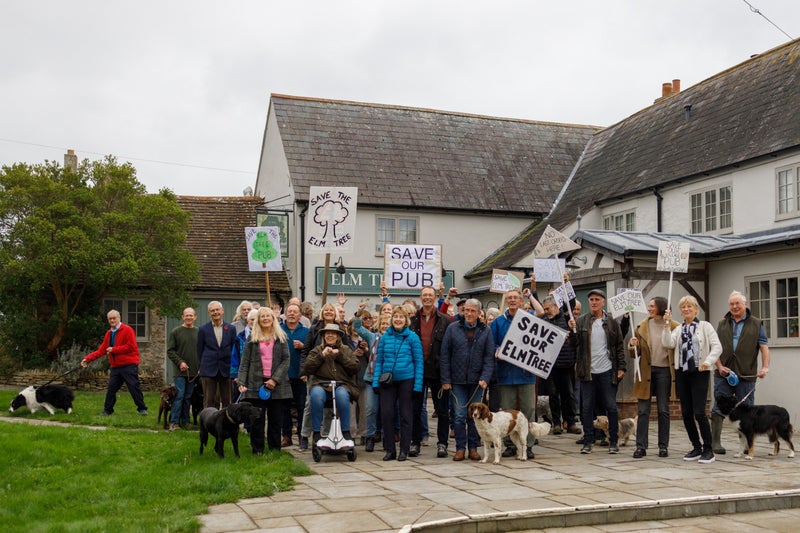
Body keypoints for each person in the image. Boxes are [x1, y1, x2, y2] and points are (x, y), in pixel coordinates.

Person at [663, 295, 723, 464]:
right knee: (686, 413)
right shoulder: (679, 328)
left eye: (690, 306)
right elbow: (668, 343)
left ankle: (708, 449)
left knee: (699, 412)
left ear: (696, 309)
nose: (686, 309)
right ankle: (696, 446)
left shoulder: (705, 326)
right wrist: (667, 325)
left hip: (700, 372)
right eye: (683, 307)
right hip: (682, 372)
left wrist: (707, 362)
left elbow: (717, 346)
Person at [712, 290, 770, 455]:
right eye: (732, 304)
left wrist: (765, 367)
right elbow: (715, 348)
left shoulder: (757, 323)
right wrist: (719, 366)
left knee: (747, 411)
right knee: (718, 407)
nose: (735, 306)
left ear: (745, 304)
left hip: (747, 374)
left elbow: (764, 347)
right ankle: (715, 442)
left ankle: (746, 445)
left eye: (738, 303)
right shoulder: (722, 323)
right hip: (724, 374)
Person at [568, 289, 626, 455]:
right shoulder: (581, 322)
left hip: (607, 370)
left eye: (597, 299)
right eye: (591, 299)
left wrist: (622, 367)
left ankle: (613, 440)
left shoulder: (612, 322)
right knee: (587, 407)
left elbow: (619, 346)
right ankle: (588, 440)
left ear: (603, 302)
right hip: (588, 371)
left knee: (611, 406)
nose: (594, 302)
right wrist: (571, 331)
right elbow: (573, 345)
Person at [440, 298, 495, 462]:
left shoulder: (486, 331)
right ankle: (459, 448)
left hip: (477, 381)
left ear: (479, 313)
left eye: (472, 311)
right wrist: (446, 379)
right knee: (458, 415)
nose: (469, 314)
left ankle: (473, 448)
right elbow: (444, 356)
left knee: (475, 417)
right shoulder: (452, 329)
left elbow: (489, 357)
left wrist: (485, 377)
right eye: (466, 310)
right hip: (457, 381)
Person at [628, 296, 679, 458]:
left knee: (664, 410)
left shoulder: (674, 326)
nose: (649, 308)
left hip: (665, 371)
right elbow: (635, 354)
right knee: (643, 410)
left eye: (651, 306)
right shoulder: (641, 327)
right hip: (646, 371)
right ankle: (641, 446)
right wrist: (632, 346)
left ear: (661, 307)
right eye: (648, 306)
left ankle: (663, 446)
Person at [372, 306, 424, 461]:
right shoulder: (385, 338)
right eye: (395, 317)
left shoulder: (412, 337)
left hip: (407, 379)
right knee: (387, 414)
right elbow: (379, 361)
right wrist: (376, 382)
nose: (398, 320)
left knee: (406, 415)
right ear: (391, 319)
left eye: (401, 317)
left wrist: (417, 385)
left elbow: (419, 362)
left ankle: (404, 450)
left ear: (406, 320)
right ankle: (389, 449)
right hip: (387, 380)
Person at [490, 288, 537, 459]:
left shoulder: (529, 318)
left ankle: (528, 445)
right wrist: (496, 351)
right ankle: (510, 445)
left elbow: (540, 313)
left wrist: (531, 294)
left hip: (526, 373)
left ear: (520, 300)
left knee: (528, 409)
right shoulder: (497, 322)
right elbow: (492, 343)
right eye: (509, 298)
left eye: (515, 298)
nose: (511, 300)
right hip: (505, 374)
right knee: (507, 411)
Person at [238, 306, 291, 454]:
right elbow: (244, 361)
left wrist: (274, 380)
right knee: (257, 420)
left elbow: (286, 360)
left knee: (275, 419)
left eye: (268, 316)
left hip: (276, 385)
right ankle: (258, 450)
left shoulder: (281, 337)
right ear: (258, 320)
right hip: (256, 383)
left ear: (273, 319)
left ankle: (275, 450)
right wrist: (241, 382)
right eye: (263, 316)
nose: (266, 318)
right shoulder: (252, 338)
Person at [410, 286, 453, 458]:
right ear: (421, 298)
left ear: (435, 298)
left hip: (438, 371)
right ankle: (415, 442)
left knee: (442, 410)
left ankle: (442, 443)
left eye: (430, 295)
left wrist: (447, 374)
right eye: (424, 295)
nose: (427, 298)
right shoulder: (412, 320)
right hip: (418, 371)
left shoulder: (446, 320)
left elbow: (450, 349)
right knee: (415, 409)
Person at [81, 309, 148, 416]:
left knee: (133, 387)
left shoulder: (127, 330)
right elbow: (102, 350)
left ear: (119, 318)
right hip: (116, 367)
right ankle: (108, 410)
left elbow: (131, 347)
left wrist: (114, 349)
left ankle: (142, 408)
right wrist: (87, 359)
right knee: (111, 389)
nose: (112, 320)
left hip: (129, 365)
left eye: (114, 318)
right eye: (110, 319)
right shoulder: (108, 333)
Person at [304, 323, 359, 447]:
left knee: (341, 395)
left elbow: (355, 367)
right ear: (323, 336)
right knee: (316, 395)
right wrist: (321, 356)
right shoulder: (317, 350)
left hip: (342, 385)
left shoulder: (345, 350)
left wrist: (339, 356)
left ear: (338, 336)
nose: (330, 335)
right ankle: (317, 433)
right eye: (327, 333)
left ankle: (345, 432)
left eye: (333, 333)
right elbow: (307, 368)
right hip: (321, 385)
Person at [540, 296, 581, 436]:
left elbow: (576, 342)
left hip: (567, 363)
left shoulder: (567, 320)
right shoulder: (544, 321)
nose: (546, 311)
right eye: (544, 309)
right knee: (553, 395)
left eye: (548, 308)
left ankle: (570, 422)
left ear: (556, 306)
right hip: (550, 365)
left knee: (568, 394)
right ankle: (556, 423)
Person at [197, 301, 238, 409]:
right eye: (212, 310)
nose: (215, 312)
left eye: (217, 310)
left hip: (226, 368)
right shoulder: (203, 329)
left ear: (222, 311)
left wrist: (234, 369)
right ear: (209, 313)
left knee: (227, 400)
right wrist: (201, 367)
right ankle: (209, 424)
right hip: (208, 368)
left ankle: (226, 424)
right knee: (209, 400)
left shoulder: (231, 329)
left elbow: (234, 349)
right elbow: (199, 350)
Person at [166, 307, 200, 430]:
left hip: (193, 372)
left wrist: (200, 366)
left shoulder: (199, 332)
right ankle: (174, 422)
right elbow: (170, 351)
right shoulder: (176, 332)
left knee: (188, 397)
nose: (189, 317)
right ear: (182, 317)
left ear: (195, 317)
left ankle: (185, 421)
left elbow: (201, 351)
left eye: (191, 315)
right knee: (179, 396)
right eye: (186, 315)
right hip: (180, 372)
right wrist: (180, 362)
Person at [280, 302, 309, 448]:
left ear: (300, 315)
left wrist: (303, 346)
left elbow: (312, 352)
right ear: (285, 314)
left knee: (301, 406)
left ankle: (302, 436)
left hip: (300, 375)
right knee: (284, 408)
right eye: (289, 311)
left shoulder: (306, 332)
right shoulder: (278, 330)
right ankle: (286, 436)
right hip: (283, 375)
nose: (291, 314)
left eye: (294, 312)